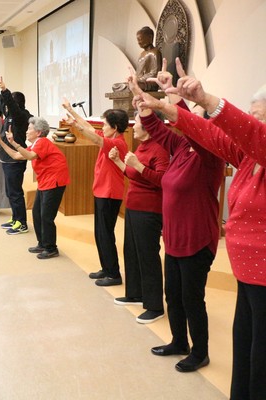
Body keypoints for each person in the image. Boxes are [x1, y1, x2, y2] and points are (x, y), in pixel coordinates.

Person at [138, 57, 266, 396]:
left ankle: (199, 351)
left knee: (260, 361)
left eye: (260, 119)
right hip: (249, 274)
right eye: (252, 116)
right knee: (247, 354)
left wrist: (204, 100)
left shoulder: (241, 151)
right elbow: (207, 131)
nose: (252, 125)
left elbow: (228, 133)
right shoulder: (246, 157)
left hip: (251, 268)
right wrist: (165, 104)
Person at [128, 62, 223, 373]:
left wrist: (174, 102)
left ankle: (200, 351)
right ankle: (179, 341)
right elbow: (158, 129)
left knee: (191, 298)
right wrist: (144, 104)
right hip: (174, 237)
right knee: (173, 294)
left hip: (197, 240)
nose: (189, 129)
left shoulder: (209, 156)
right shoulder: (181, 147)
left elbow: (192, 126)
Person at [108, 100, 170, 323]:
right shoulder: (141, 147)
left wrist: (139, 165)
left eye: (137, 124)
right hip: (133, 207)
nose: (132, 127)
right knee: (131, 252)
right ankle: (135, 293)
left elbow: (163, 181)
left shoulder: (159, 149)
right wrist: (118, 162)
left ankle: (154, 306)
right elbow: (134, 175)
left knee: (147, 255)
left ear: (149, 128)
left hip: (150, 210)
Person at [62, 101, 129, 286]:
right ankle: (106, 268)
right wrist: (71, 111)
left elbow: (94, 137)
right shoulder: (110, 138)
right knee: (100, 233)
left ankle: (114, 274)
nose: (103, 126)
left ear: (114, 128)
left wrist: (75, 126)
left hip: (110, 193)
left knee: (105, 234)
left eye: (106, 124)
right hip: (101, 191)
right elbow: (89, 127)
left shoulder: (117, 143)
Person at [0, 117, 69, 259]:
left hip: (55, 181)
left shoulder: (42, 142)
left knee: (46, 216)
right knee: (36, 213)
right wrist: (1, 142)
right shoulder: (35, 144)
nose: (27, 131)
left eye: (29, 129)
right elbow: (17, 156)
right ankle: (42, 244)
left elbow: (29, 156)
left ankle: (51, 248)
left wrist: (14, 143)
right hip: (45, 181)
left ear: (39, 132)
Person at [0, 76, 33, 235]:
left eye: (10, 104)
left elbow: (10, 105)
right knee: (10, 192)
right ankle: (16, 218)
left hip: (15, 160)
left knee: (15, 193)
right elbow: (2, 103)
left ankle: (22, 223)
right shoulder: (8, 114)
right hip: (6, 158)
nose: (5, 106)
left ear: (16, 104)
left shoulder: (21, 116)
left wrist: (4, 90)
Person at [112, 26, 162, 92]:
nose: (139, 42)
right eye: (138, 40)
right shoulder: (142, 54)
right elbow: (138, 73)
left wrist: (139, 79)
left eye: (140, 39)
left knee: (131, 86)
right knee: (115, 86)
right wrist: (133, 78)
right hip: (139, 82)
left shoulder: (155, 52)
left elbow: (154, 73)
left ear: (150, 37)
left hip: (149, 84)